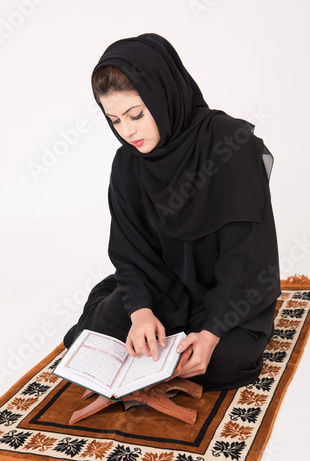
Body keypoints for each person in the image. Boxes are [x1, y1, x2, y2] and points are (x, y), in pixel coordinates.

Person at [63, 33, 281, 392]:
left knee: (226, 361)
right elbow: (130, 252)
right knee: (89, 343)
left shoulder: (230, 144)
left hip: (231, 290)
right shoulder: (128, 163)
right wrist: (141, 312)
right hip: (161, 289)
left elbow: (247, 254)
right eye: (115, 120)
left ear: (164, 97)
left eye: (136, 114)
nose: (128, 131)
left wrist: (211, 333)